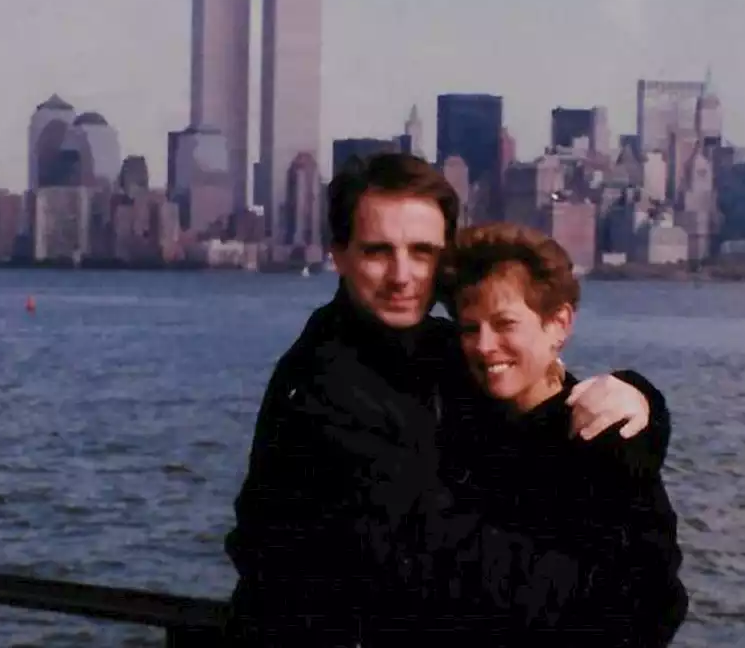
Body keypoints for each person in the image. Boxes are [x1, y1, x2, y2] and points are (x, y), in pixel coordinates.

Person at [224, 152, 656, 647]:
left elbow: (555, 413)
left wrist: (638, 399)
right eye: (377, 251)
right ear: (338, 254)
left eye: (423, 251)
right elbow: (437, 553)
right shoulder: (324, 386)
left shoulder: (448, 350)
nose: (402, 275)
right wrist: (618, 600)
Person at [436, 221, 688, 646]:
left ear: (559, 325)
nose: (483, 345)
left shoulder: (600, 433)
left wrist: (644, 400)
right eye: (469, 327)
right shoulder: (458, 408)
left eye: (505, 324)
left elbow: (654, 605)